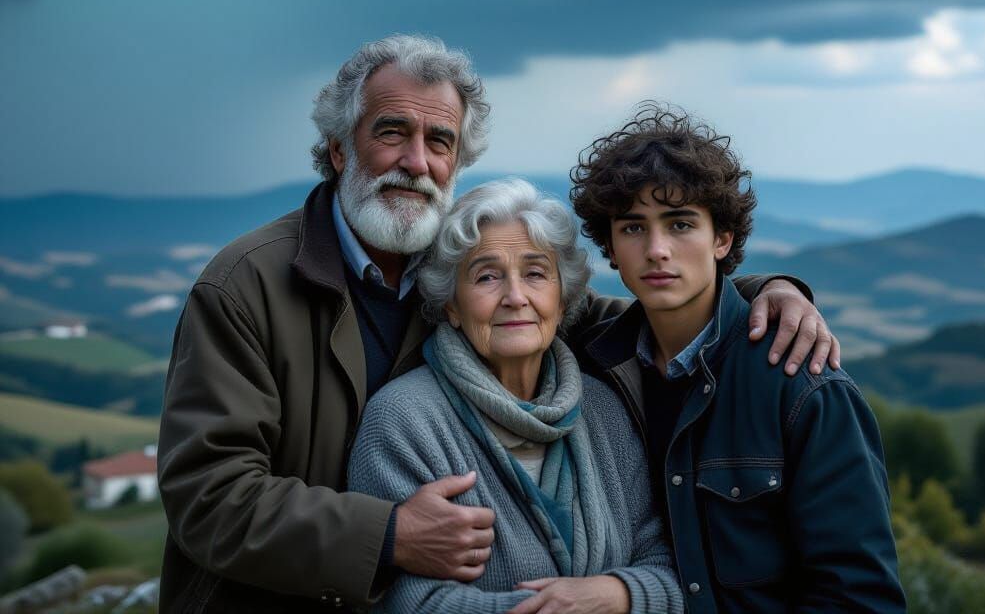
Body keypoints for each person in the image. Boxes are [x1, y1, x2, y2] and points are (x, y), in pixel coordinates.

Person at [157, 35, 836, 613]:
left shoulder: (460, 255)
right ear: (339, 149)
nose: (416, 161)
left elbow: (628, 316)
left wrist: (762, 291)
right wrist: (388, 533)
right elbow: (207, 496)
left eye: (439, 141)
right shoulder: (247, 283)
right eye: (391, 131)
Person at [571, 105, 906, 613]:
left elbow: (859, 598)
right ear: (611, 248)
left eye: (680, 224)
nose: (657, 249)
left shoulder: (802, 384)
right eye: (634, 228)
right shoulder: (591, 368)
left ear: (722, 239)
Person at [349, 179, 683, 614]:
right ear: (451, 304)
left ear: (562, 300)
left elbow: (674, 569)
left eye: (535, 273)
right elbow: (407, 601)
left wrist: (617, 596)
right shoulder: (403, 421)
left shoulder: (604, 409)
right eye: (487, 276)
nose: (515, 297)